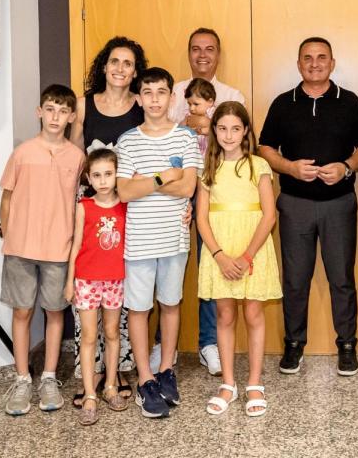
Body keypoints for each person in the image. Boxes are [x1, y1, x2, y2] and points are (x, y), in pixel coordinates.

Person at [258, 36, 358, 376]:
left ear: (332, 63)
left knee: (341, 278)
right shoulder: (282, 103)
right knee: (295, 280)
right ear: (299, 64)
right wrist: (290, 167)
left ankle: (347, 345)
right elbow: (265, 148)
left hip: (339, 204)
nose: (315, 63)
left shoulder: (349, 102)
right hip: (294, 205)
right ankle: (294, 345)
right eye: (308, 58)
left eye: (322, 57)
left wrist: (347, 167)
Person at [116, 67, 203, 418]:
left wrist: (148, 183)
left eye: (161, 92)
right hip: (139, 241)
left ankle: (166, 370)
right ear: (138, 98)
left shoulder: (184, 139)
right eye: (147, 92)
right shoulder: (128, 140)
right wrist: (162, 176)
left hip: (173, 239)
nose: (154, 99)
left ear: (172, 97)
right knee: (139, 309)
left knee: (170, 303)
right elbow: (123, 191)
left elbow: (187, 188)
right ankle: (146, 378)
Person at [68, 36, 147, 405]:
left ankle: (120, 368)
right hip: (91, 209)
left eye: (127, 63)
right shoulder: (84, 105)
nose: (119, 68)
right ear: (104, 65)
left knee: (123, 298)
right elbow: (72, 157)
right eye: (114, 61)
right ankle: (92, 370)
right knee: (89, 299)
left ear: (136, 71)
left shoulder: (142, 106)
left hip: (130, 211)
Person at [165, 28, 247, 377]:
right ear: (188, 53)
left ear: (218, 54)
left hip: (217, 192)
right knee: (169, 263)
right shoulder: (172, 94)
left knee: (213, 266)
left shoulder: (232, 94)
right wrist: (189, 124)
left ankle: (209, 343)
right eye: (196, 49)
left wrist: (207, 124)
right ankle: (162, 344)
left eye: (209, 49)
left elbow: (240, 139)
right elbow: (162, 136)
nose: (202, 55)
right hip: (177, 191)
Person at [0, 84, 84, 415]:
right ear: (39, 112)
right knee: (22, 311)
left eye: (63, 111)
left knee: (54, 311)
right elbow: (6, 198)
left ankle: (49, 377)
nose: (55, 116)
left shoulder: (77, 159)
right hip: (20, 248)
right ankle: (22, 378)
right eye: (50, 109)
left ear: (72, 117)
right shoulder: (22, 153)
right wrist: (9, 235)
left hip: (59, 249)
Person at [196, 102, 281, 417]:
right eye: (222, 128)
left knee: (254, 314)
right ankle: (228, 383)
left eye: (235, 128)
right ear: (214, 131)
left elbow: (269, 215)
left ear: (246, 131)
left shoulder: (258, 165)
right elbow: (202, 219)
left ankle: (255, 382)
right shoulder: (208, 168)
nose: (228, 135)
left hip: (252, 247)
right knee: (225, 315)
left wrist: (247, 256)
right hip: (220, 249)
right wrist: (219, 256)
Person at [64, 148, 129, 426]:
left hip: (115, 279)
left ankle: (111, 385)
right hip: (86, 281)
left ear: (117, 175)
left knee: (113, 333)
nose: (103, 181)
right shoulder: (84, 207)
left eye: (109, 174)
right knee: (89, 337)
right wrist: (70, 282)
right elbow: (76, 245)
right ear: (89, 178)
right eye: (97, 175)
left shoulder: (125, 205)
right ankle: (90, 394)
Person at [185, 77, 217, 155]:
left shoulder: (213, 113)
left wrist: (202, 131)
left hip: (210, 153)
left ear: (210, 102)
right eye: (189, 104)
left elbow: (216, 130)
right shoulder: (190, 114)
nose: (191, 108)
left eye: (196, 104)